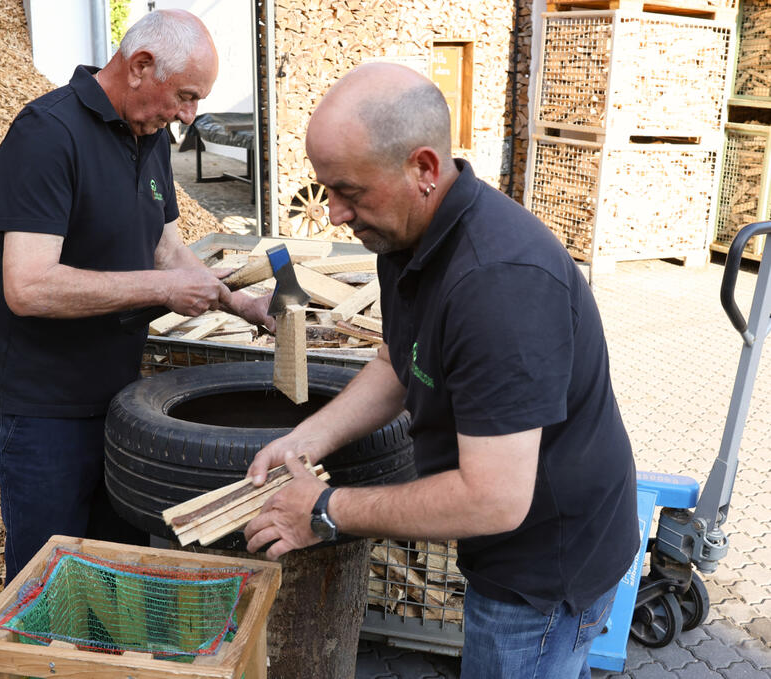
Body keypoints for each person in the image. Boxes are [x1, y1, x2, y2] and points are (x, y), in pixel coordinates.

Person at [242, 63, 639, 678]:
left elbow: (494, 500)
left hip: (541, 573)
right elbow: (401, 363)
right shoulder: (405, 236)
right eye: (327, 190)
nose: (335, 215)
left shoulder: (498, 287)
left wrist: (324, 510)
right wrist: (305, 439)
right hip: (507, 547)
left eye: (349, 191)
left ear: (423, 169)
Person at [0, 9, 272, 584]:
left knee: (118, 574)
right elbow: (28, 285)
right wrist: (163, 290)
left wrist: (240, 304)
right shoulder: (47, 134)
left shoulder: (149, 134)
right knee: (50, 580)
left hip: (119, 400)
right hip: (42, 409)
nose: (188, 116)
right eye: (185, 96)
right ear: (140, 66)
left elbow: (167, 251)